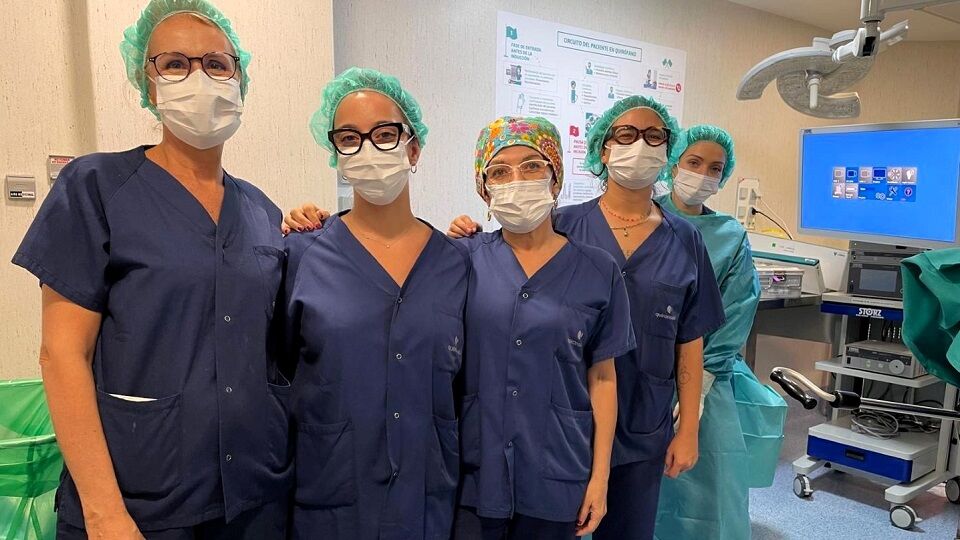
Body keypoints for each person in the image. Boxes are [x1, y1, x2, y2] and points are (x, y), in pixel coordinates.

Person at [12, 1, 291, 538]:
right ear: (148, 82)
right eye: (176, 64)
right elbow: (62, 355)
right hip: (139, 503)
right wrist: (104, 513)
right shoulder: (97, 187)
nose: (199, 78)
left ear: (239, 80)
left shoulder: (261, 212)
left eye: (216, 64)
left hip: (254, 497)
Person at [448, 96, 725, 540]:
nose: (640, 145)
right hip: (544, 425)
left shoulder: (675, 242)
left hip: (638, 419)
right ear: (603, 149)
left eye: (654, 136)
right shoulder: (552, 228)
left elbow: (690, 337)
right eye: (626, 135)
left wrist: (688, 425)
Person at [283, 67, 470, 539]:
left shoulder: (455, 263)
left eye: (385, 134)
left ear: (414, 148)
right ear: (337, 155)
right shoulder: (303, 254)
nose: (368, 149)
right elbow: (278, 372)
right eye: (350, 138)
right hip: (333, 500)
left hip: (428, 499)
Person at [451, 117, 632, 539]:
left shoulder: (597, 270)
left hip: (557, 468)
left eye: (532, 166)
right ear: (484, 189)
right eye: (500, 171)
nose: (517, 181)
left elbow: (603, 378)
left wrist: (600, 478)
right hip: (474, 472)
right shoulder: (462, 259)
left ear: (556, 178)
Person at [652, 125, 787, 539]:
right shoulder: (641, 217)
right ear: (674, 164)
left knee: (709, 488)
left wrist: (702, 382)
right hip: (640, 370)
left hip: (708, 374)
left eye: (715, 168)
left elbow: (738, 308)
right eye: (694, 162)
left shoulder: (730, 235)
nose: (703, 174)